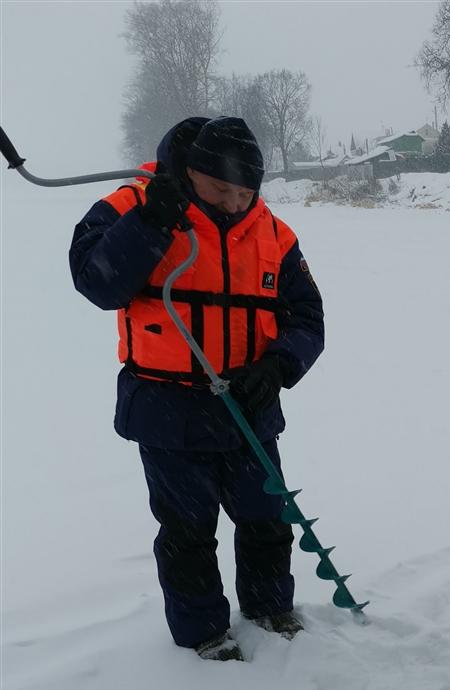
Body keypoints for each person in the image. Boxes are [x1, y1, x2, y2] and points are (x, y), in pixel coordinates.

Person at [69, 117, 324, 661]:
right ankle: (203, 633)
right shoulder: (131, 206)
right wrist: (150, 223)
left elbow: (308, 316)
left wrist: (278, 366)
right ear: (191, 173)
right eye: (220, 189)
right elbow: (97, 282)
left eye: (244, 192)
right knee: (187, 531)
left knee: (267, 518)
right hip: (168, 411)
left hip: (248, 407)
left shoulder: (275, 234)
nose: (234, 202)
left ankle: (269, 608)